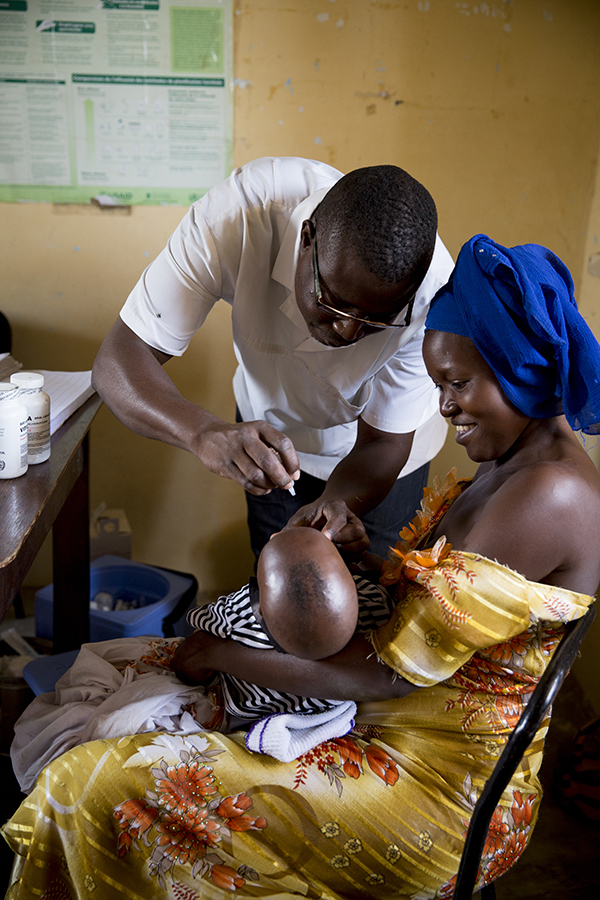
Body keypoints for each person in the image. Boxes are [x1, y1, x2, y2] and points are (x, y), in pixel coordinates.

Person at [4, 234, 600, 900]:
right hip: (388, 713)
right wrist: (365, 562)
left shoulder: (550, 494)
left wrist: (224, 657)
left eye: (457, 383)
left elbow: (390, 681)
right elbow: (447, 614)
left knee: (90, 786)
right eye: (437, 385)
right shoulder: (512, 467)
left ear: (518, 361)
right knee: (121, 658)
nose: (444, 407)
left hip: (435, 786)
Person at [91, 157, 454, 559]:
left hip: (377, 463)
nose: (348, 332)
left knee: (375, 597)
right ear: (306, 238)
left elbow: (384, 440)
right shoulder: (237, 218)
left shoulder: (432, 292)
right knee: (276, 587)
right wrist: (203, 431)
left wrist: (340, 504)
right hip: (269, 440)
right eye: (332, 303)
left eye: (377, 319)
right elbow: (117, 361)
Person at [175, 526, 394, 725]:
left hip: (251, 713)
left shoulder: (239, 616)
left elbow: (192, 652)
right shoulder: (376, 603)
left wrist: (188, 672)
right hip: (325, 711)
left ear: (259, 605)